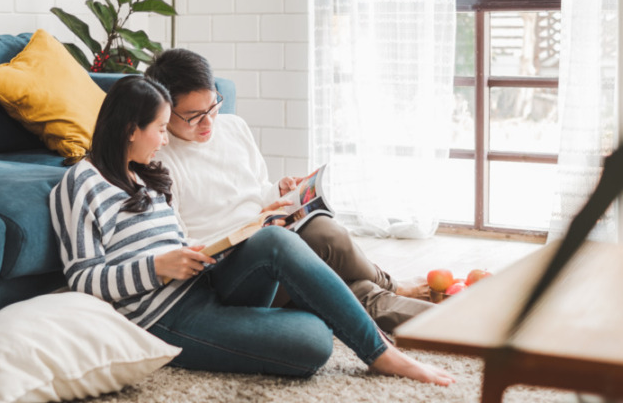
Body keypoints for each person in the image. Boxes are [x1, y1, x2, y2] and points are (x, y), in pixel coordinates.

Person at [49, 75, 454, 385]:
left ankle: (381, 352)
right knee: (314, 342)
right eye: (160, 128)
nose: (166, 141)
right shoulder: (81, 184)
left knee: (273, 238)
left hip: (201, 285)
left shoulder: (147, 175)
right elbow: (83, 277)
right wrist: (159, 267)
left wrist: (213, 248)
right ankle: (373, 318)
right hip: (166, 317)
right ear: (129, 130)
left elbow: (176, 243)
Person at [144, 48, 434, 332]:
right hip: (230, 271)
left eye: (212, 106)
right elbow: (179, 244)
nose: (208, 122)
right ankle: (396, 286)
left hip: (269, 236)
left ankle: (459, 324)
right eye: (193, 116)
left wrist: (277, 192)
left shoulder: (234, 127)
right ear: (166, 112)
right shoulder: (159, 160)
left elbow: (253, 189)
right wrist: (250, 231)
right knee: (324, 235)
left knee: (353, 289)